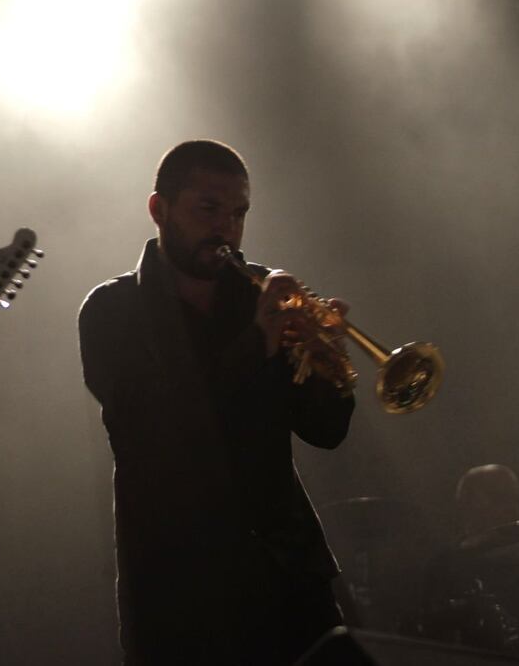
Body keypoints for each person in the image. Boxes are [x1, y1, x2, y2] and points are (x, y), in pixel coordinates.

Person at [77, 140, 356, 665]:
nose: (226, 228)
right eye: (209, 209)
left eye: (239, 213)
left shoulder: (261, 297)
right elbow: (156, 430)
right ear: (159, 209)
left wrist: (327, 364)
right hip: (184, 598)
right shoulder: (112, 311)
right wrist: (259, 346)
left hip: (292, 583)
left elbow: (326, 430)